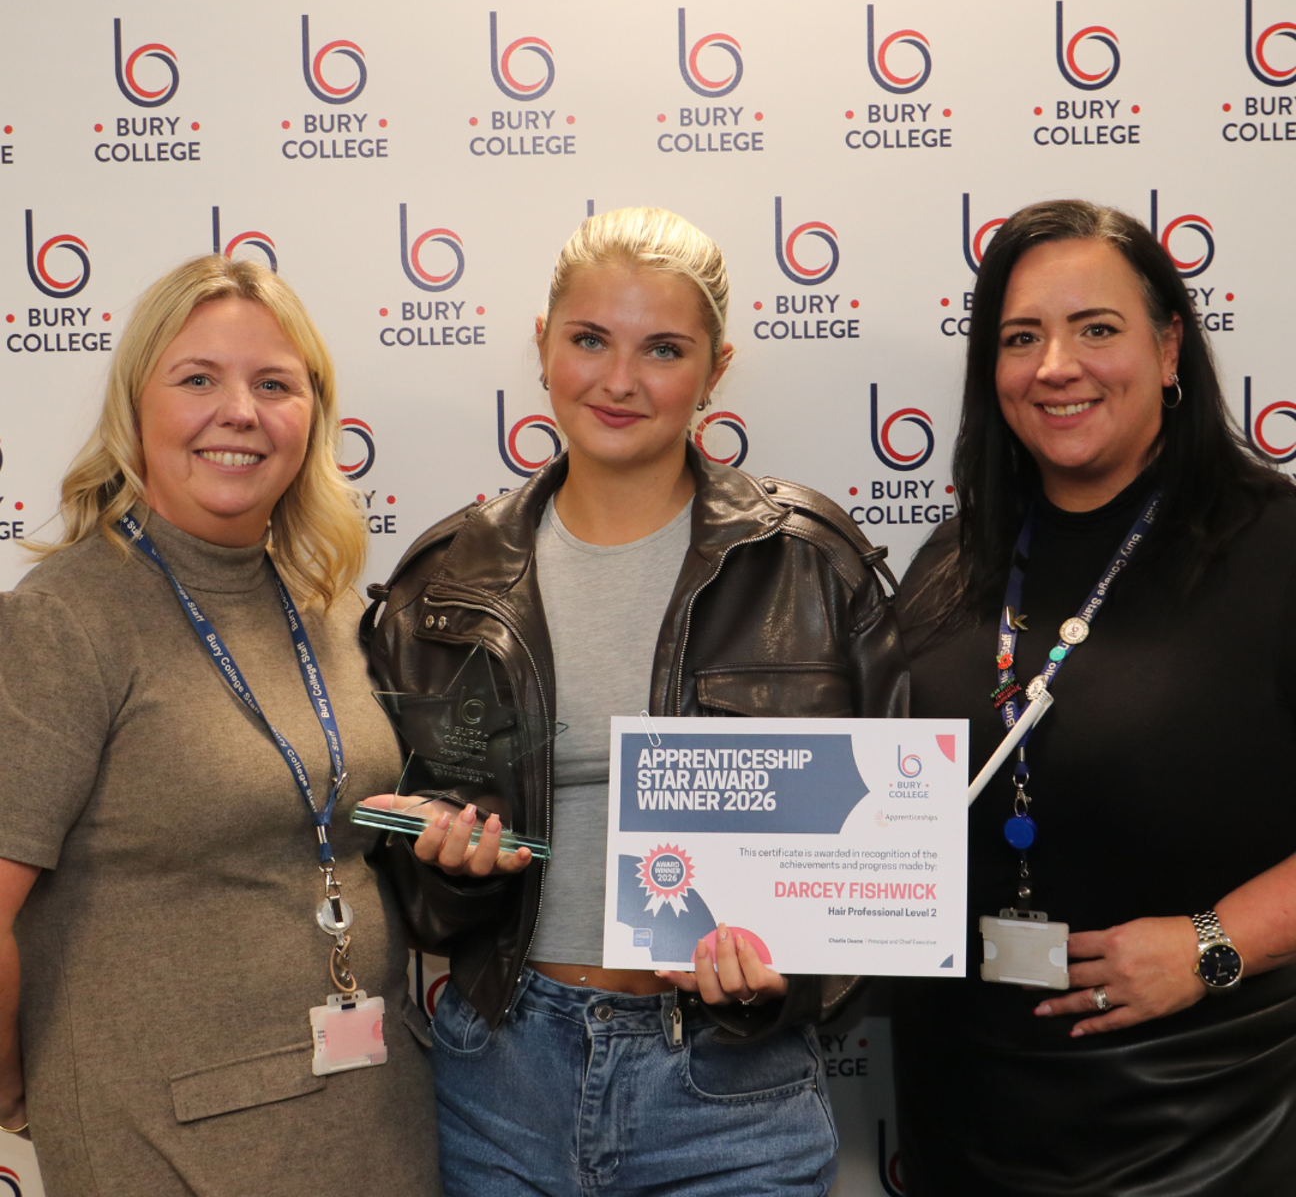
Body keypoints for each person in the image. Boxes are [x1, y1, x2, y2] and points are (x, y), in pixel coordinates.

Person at [361, 206, 907, 1197]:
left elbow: (905, 844)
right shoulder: (444, 578)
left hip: (729, 1088)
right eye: (588, 341)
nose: (618, 382)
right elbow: (415, 897)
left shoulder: (809, 561)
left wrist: (794, 981)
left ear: (716, 368)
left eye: (662, 349)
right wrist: (457, 873)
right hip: (498, 1075)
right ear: (541, 346)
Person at [0, 256, 439, 1196]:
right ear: (136, 408)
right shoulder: (67, 618)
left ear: (311, 415)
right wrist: (21, 1092)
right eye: (198, 378)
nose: (239, 411)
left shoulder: (323, 605)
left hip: (373, 1115)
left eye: (274, 384)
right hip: (164, 1141)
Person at [892, 199, 1296, 1195]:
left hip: (1208, 1108)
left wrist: (1215, 946)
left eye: (1096, 329)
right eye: (1020, 337)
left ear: (1169, 349)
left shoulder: (1274, 544)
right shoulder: (955, 560)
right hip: (968, 1107)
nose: (1055, 366)